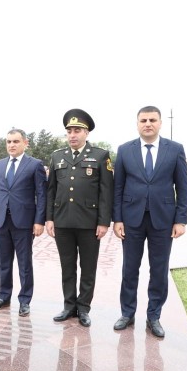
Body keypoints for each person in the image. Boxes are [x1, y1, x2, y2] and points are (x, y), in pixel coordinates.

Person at [112, 106, 187, 338]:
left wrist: (181, 220)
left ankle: (154, 316)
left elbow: (182, 187)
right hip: (131, 220)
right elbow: (118, 187)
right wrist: (117, 219)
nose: (148, 124)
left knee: (159, 270)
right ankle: (127, 313)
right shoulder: (124, 150)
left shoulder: (175, 149)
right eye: (143, 120)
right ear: (137, 123)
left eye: (152, 120)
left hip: (163, 220)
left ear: (160, 123)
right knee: (129, 269)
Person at [45, 109, 114, 327]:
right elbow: (51, 190)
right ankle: (68, 306)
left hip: (89, 223)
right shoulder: (57, 156)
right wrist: (49, 218)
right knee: (67, 267)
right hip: (62, 221)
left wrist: (104, 222)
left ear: (86, 133)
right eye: (69, 131)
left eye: (77, 131)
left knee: (88, 268)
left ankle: (83, 308)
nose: (72, 135)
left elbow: (106, 191)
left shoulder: (100, 156)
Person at [0, 128, 47, 316]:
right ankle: (4, 296)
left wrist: (39, 221)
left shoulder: (34, 165)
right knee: (4, 262)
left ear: (25, 143)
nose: (11, 145)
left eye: (16, 141)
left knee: (24, 263)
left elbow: (41, 195)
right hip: (1, 220)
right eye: (9, 142)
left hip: (24, 222)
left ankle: (25, 300)